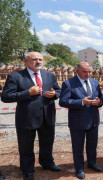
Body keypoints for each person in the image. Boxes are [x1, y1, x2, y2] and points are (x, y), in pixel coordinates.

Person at [1, 52, 61, 180]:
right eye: (34, 59)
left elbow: (59, 90)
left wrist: (55, 94)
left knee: (47, 143)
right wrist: (27, 92)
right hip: (26, 118)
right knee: (26, 146)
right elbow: (5, 97)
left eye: (40, 59)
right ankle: (27, 170)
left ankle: (47, 163)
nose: (38, 62)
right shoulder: (15, 76)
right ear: (26, 61)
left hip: (47, 116)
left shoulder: (49, 75)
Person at [59, 62, 103, 179]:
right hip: (77, 122)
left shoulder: (94, 82)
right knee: (78, 147)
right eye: (85, 71)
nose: (88, 74)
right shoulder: (68, 83)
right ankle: (79, 168)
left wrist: (99, 102)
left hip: (93, 120)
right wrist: (82, 102)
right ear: (77, 71)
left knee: (92, 144)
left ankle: (92, 163)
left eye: (90, 71)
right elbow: (63, 101)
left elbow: (101, 98)